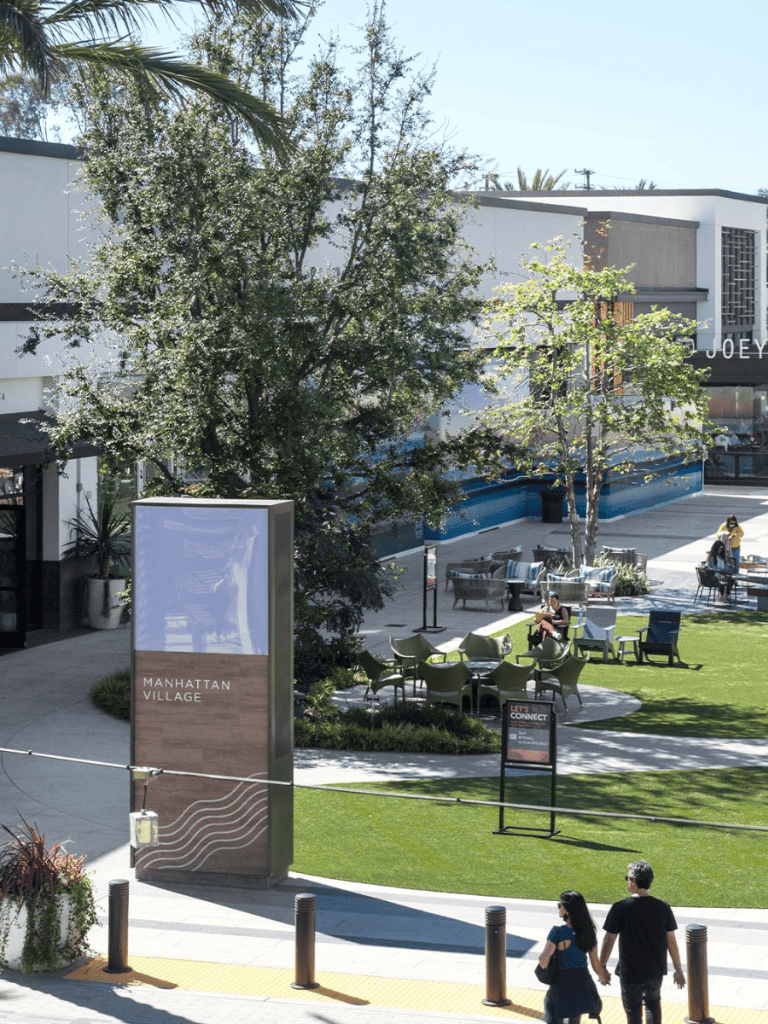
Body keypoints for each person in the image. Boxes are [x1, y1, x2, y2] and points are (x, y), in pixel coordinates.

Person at [599, 861, 685, 1024]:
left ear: (633, 881)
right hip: (655, 970)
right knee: (653, 1004)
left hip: (630, 971)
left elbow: (609, 939)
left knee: (633, 1012)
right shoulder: (662, 907)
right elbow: (671, 941)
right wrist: (678, 968)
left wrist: (601, 967)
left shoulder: (620, 907)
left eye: (628, 878)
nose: (627, 881)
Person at [538, 889, 610, 1024]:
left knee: (550, 1005)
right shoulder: (589, 933)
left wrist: (545, 961)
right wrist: (604, 977)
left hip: (560, 985)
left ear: (567, 910)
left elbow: (543, 960)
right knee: (574, 1016)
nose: (558, 908)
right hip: (581, 984)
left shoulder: (557, 932)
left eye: (560, 905)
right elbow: (595, 963)